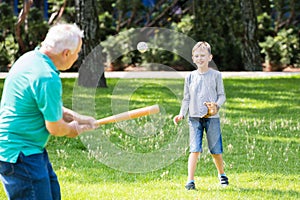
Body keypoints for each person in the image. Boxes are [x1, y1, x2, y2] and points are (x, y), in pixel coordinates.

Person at [0, 23, 98, 199]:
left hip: (29, 150)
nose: (77, 58)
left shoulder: (30, 59)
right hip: (20, 154)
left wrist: (79, 118)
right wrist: (73, 129)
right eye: (77, 53)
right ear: (66, 53)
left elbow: (47, 106)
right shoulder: (46, 77)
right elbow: (55, 127)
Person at [173, 41, 228, 190]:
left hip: (212, 119)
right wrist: (181, 114)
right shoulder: (189, 77)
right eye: (196, 55)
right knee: (194, 149)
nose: (200, 58)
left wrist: (216, 105)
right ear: (193, 58)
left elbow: (222, 96)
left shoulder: (216, 75)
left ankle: (222, 175)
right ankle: (190, 181)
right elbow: (186, 98)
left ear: (210, 57)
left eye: (203, 55)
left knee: (215, 150)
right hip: (194, 119)